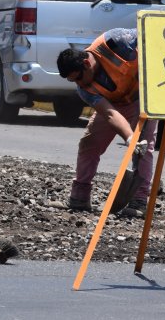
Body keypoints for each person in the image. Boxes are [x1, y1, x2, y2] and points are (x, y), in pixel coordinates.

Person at [56, 27, 156, 217]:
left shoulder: (115, 42)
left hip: (142, 99)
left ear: (86, 63)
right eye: (73, 82)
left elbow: (153, 34)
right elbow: (110, 114)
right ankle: (80, 197)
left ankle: (139, 201)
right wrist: (129, 138)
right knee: (89, 144)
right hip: (114, 105)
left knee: (144, 149)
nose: (79, 84)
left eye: (78, 78)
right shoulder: (85, 89)